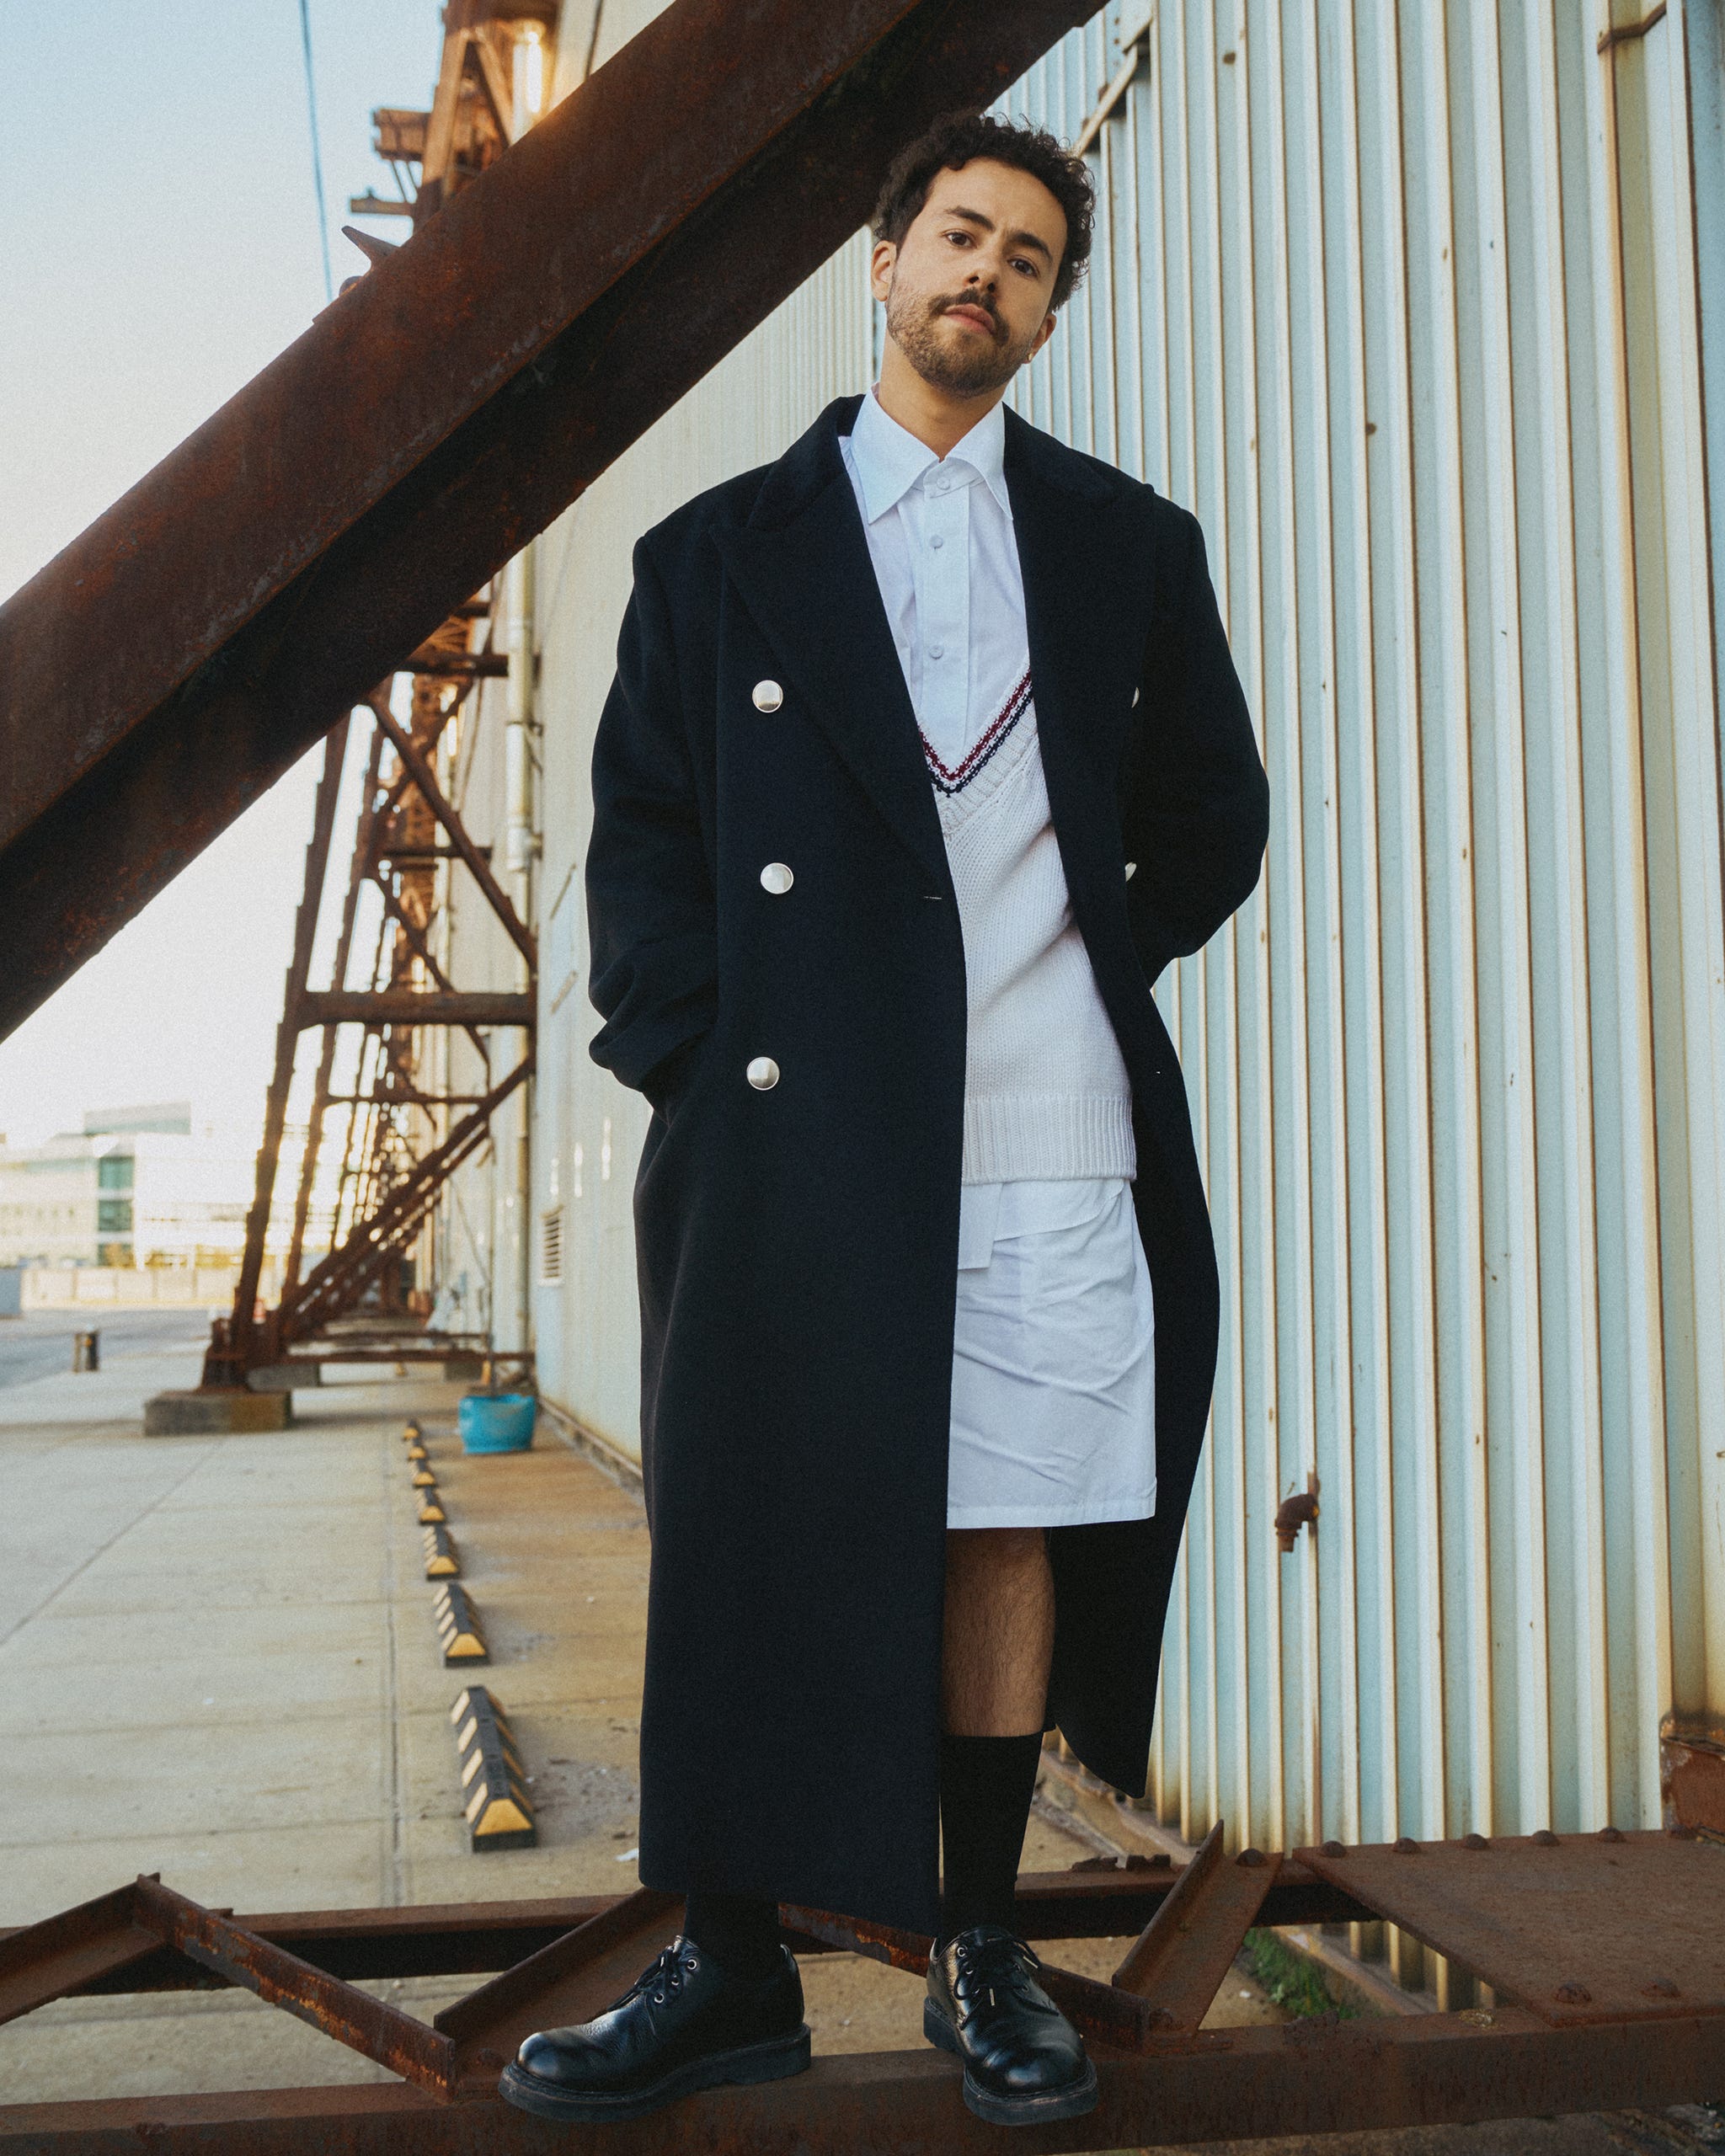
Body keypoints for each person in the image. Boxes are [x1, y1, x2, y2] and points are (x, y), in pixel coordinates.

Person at [500, 110, 1268, 2129]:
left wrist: (1077, 952)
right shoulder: (713, 557)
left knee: (1001, 1516)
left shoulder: (1126, 546)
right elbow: (644, 859)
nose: (984, 278)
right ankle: (733, 1960)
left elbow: (1214, 815)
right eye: (957, 236)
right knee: (759, 1526)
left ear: (1049, 308)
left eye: (1027, 258)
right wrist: (702, 1061)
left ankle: (980, 1940)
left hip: (1048, 1124)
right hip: (791, 1131)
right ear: (880, 259)